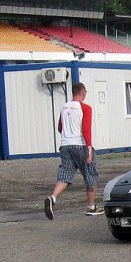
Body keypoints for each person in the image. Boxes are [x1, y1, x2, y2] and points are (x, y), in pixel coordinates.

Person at [44, 82, 102, 219]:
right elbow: (86, 129)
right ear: (82, 92)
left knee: (65, 173)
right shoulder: (85, 108)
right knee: (90, 173)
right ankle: (91, 206)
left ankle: (52, 197)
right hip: (80, 144)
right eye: (85, 92)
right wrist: (89, 147)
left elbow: (60, 128)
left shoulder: (64, 107)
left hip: (65, 145)